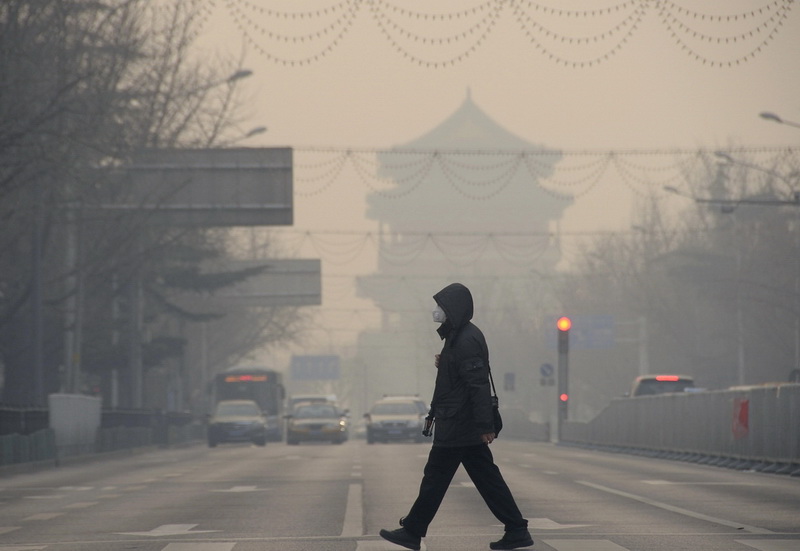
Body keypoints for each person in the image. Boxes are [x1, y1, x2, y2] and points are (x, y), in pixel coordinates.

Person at [379, 283, 533, 550]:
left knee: (436, 479)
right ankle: (516, 529)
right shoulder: (458, 337)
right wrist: (446, 363)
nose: (437, 311)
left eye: (442, 306)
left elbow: (478, 385)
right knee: (486, 479)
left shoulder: (465, 339)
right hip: (459, 423)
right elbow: (460, 380)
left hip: (460, 425)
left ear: (455, 309)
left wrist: (485, 425)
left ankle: (413, 531)